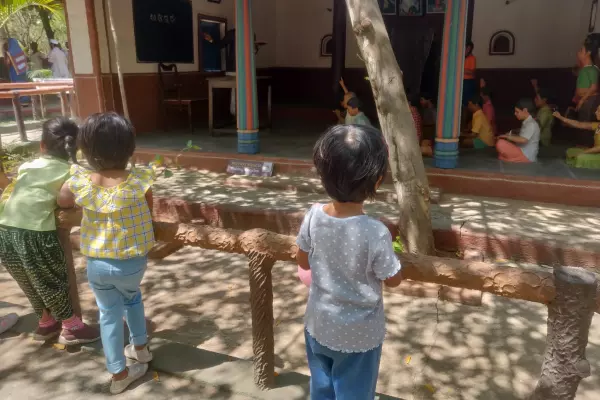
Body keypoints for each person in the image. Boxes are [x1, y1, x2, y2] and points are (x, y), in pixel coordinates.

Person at [296, 124, 402, 400]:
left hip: (319, 324)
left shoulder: (313, 216)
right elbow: (393, 280)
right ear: (377, 181)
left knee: (322, 388)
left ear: (323, 175)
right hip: (360, 335)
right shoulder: (375, 232)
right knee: (354, 393)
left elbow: (303, 261)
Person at [58, 113, 154, 395]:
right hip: (133, 264)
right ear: (129, 147)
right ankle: (141, 349)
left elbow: (63, 200)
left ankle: (119, 373)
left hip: (98, 265)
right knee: (133, 299)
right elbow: (149, 208)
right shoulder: (139, 180)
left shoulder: (81, 181)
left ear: (85, 150)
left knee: (109, 315)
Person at [0, 117, 99, 344]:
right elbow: (70, 200)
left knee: (27, 279)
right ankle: (71, 327)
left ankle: (46, 322)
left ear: (42, 146)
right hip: (36, 234)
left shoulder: (27, 166)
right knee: (52, 280)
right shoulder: (74, 172)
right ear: (78, 148)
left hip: (4, 230)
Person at [496, 98, 540, 163]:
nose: (515, 114)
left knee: (500, 143)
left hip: (526, 155)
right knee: (504, 143)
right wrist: (510, 134)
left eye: (517, 112)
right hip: (522, 151)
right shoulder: (527, 122)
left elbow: (523, 139)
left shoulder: (531, 124)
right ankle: (511, 158)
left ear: (525, 110)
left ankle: (514, 158)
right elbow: (522, 135)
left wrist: (507, 136)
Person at [572, 42, 599, 121]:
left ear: (588, 53)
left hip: (589, 103)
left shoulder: (592, 69)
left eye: (581, 50)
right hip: (586, 102)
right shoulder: (585, 69)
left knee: (586, 128)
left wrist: (582, 100)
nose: (578, 52)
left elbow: (594, 87)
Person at [463, 41, 477, 106]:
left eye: (469, 49)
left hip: (468, 82)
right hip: (460, 81)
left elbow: (472, 73)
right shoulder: (460, 57)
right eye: (466, 48)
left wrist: (462, 70)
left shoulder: (472, 58)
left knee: (467, 101)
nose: (467, 50)